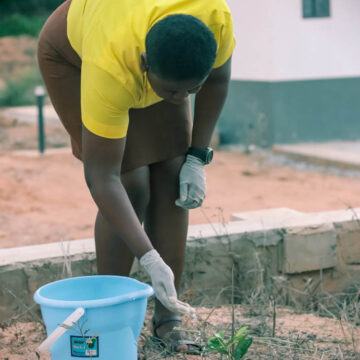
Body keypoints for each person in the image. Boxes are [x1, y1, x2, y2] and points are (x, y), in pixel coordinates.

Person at [37, 0, 235, 354]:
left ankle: (167, 321)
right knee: (132, 185)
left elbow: (217, 78)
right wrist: (149, 257)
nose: (181, 100)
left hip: (147, 49)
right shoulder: (112, 66)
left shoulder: (214, 20)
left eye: (191, 90)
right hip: (75, 57)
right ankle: (103, 319)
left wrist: (196, 157)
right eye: (174, 91)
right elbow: (102, 177)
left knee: (173, 177)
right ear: (145, 64)